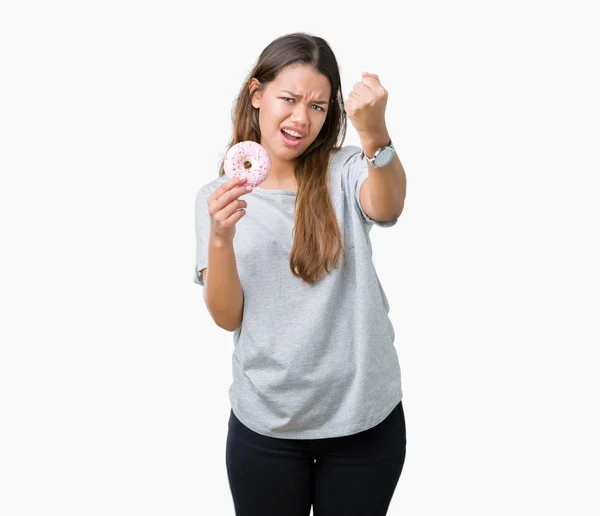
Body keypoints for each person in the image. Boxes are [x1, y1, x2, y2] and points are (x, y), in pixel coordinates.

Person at [193, 32, 408, 516]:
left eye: (317, 106)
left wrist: (375, 133)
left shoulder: (347, 168)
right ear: (256, 95)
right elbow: (227, 317)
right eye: (288, 99)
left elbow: (389, 205)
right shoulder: (217, 195)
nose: (300, 118)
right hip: (267, 426)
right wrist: (221, 239)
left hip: (363, 422)